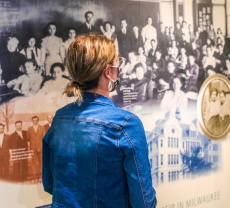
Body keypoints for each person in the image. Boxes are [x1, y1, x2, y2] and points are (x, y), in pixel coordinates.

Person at [42, 34, 157, 207]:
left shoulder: (59, 119)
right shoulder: (126, 125)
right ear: (108, 71)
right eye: (117, 63)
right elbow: (143, 202)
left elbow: (50, 184)